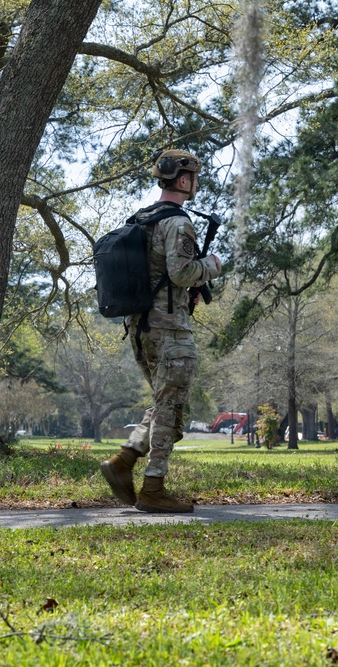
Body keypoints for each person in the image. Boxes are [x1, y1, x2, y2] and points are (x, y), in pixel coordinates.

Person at [100, 149, 223, 513]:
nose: (195, 184)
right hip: (169, 331)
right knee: (170, 411)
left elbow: (160, 276)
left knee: (163, 403)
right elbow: (181, 273)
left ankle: (124, 463)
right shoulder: (179, 223)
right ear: (184, 181)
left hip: (140, 327)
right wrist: (212, 266)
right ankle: (153, 489)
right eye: (195, 178)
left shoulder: (141, 218)